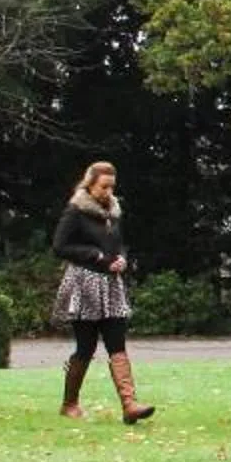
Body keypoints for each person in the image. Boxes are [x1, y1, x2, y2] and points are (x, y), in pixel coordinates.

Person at [51, 160, 154, 424]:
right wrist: (95, 255)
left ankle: (129, 404)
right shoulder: (76, 211)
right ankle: (69, 403)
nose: (108, 191)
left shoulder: (114, 212)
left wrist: (120, 258)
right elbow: (60, 246)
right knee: (85, 347)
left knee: (117, 343)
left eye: (112, 186)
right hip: (84, 283)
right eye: (103, 186)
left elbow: (118, 244)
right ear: (91, 184)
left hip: (111, 285)